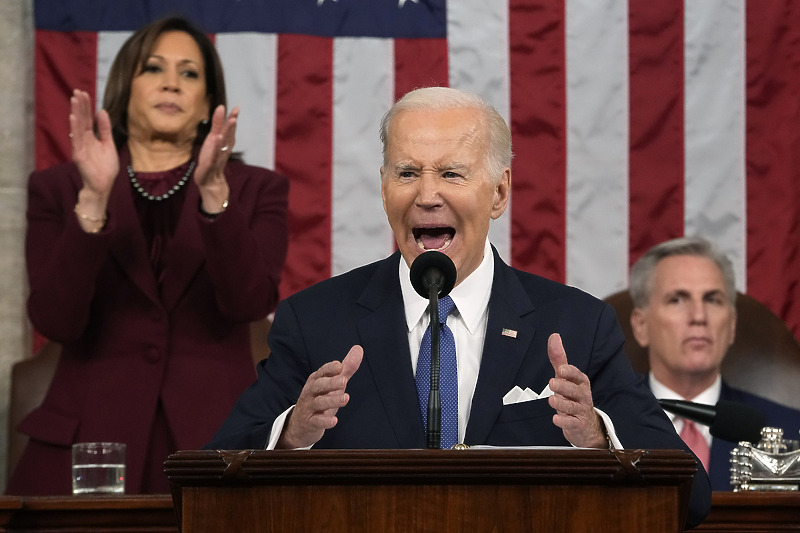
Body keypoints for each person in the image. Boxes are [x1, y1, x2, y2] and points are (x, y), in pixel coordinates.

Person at [206, 87, 710, 527]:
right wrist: (291, 438)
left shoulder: (577, 326)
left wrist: (599, 440)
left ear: (499, 193)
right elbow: (210, 480)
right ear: (384, 189)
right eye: (407, 173)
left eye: (451, 173)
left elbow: (693, 497)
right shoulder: (315, 323)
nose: (427, 195)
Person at [8, 16, 289, 495]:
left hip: (213, 446)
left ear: (207, 102)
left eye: (190, 73)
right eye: (153, 68)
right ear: (126, 87)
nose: (171, 83)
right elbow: (55, 321)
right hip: (88, 445)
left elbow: (248, 305)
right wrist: (93, 202)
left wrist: (215, 196)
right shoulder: (59, 189)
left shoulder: (256, 189)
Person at [629, 236, 800, 490]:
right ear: (641, 325)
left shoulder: (789, 432)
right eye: (677, 299)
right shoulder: (603, 428)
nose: (699, 316)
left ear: (731, 325)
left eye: (712, 299)